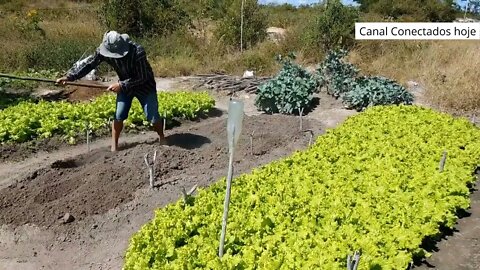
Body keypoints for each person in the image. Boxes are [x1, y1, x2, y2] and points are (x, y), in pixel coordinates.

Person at [56, 30, 165, 152]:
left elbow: (143, 76)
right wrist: (70, 77)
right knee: (119, 115)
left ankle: (162, 137)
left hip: (145, 86)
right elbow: (89, 64)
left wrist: (121, 85)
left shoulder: (137, 51)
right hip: (124, 86)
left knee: (153, 116)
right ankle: (114, 145)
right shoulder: (103, 51)